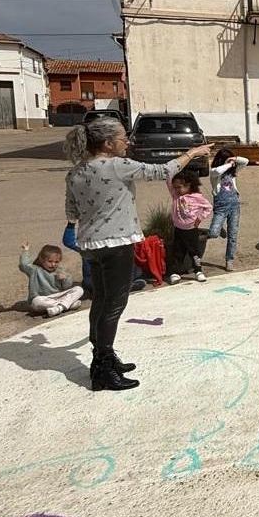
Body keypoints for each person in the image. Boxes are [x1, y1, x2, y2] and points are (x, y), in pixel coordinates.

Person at [64, 118, 211, 391]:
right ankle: (104, 369)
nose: (127, 141)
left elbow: (71, 213)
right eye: (122, 138)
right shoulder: (118, 166)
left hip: (90, 246)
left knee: (101, 301)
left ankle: (101, 359)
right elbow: (163, 170)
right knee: (114, 305)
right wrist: (192, 153)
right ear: (108, 143)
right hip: (116, 244)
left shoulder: (75, 172)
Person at [166, 170, 213, 284]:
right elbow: (168, 180)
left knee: (194, 252)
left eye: (179, 187)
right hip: (178, 229)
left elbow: (208, 207)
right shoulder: (176, 195)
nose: (177, 190)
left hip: (191, 229)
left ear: (189, 185)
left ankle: (198, 271)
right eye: (175, 187)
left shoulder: (197, 197)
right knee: (178, 251)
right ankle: (175, 272)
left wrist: (199, 218)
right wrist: (173, 168)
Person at [207, 148, 248, 272]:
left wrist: (234, 159)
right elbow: (217, 171)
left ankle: (229, 260)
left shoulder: (233, 172)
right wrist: (228, 163)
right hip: (221, 206)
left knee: (233, 235)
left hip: (234, 205)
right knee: (213, 233)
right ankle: (219, 229)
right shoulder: (214, 173)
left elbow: (245, 161)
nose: (232, 164)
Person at [19, 243, 83, 318]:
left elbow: (67, 286)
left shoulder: (59, 270)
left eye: (56, 262)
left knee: (79, 289)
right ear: (42, 260)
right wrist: (26, 250)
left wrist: (65, 279)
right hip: (44, 299)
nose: (53, 264)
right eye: (50, 261)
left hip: (58, 296)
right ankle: (67, 305)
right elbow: (24, 265)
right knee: (36, 302)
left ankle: (59, 308)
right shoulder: (35, 270)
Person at [61, 222, 92, 297]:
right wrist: (71, 224)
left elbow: (69, 242)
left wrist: (71, 224)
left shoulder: (88, 248)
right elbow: (69, 242)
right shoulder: (87, 248)